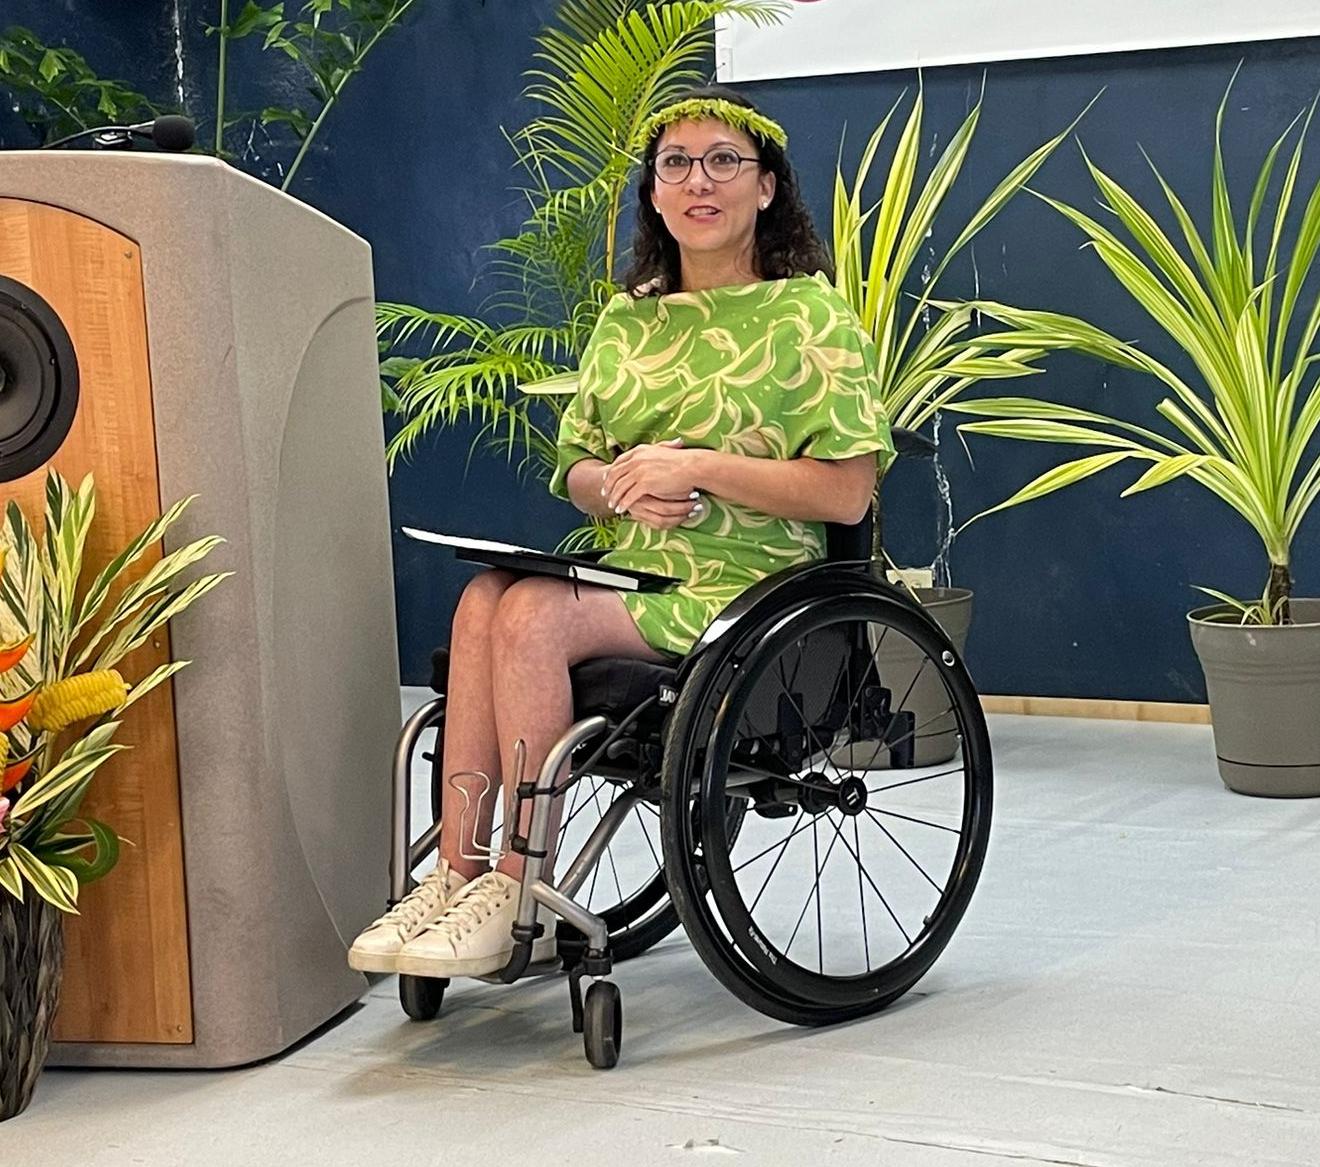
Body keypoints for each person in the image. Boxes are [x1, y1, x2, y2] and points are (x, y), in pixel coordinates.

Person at [349, 86, 895, 980]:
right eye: (675, 164)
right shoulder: (625, 320)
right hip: (630, 567)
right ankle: (453, 878)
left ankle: (516, 890)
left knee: (530, 616)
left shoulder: (809, 316)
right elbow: (577, 471)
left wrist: (698, 466)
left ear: (766, 187)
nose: (697, 181)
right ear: (653, 190)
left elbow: (846, 493)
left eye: (724, 160)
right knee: (485, 596)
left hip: (744, 589)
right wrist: (614, 486)